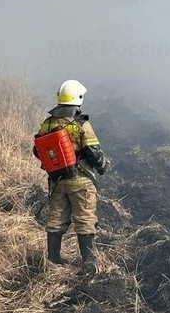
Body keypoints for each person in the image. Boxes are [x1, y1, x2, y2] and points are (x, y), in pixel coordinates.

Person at [33, 79, 108, 271]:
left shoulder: (47, 124)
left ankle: (53, 258)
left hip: (57, 181)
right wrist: (103, 166)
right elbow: (93, 153)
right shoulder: (81, 125)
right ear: (78, 99)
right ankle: (88, 262)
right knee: (85, 219)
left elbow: (37, 150)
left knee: (56, 218)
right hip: (81, 181)